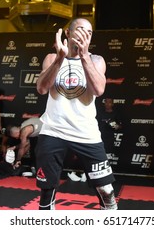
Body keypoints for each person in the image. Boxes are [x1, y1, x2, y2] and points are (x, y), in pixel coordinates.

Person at [35, 18, 117, 210]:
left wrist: (84, 56)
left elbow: (98, 90)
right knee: (47, 192)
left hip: (85, 132)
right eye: (80, 30)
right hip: (53, 131)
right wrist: (59, 58)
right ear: (68, 33)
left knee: (107, 192)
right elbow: (41, 88)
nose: (84, 35)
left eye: (89, 33)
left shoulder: (97, 60)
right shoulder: (51, 57)